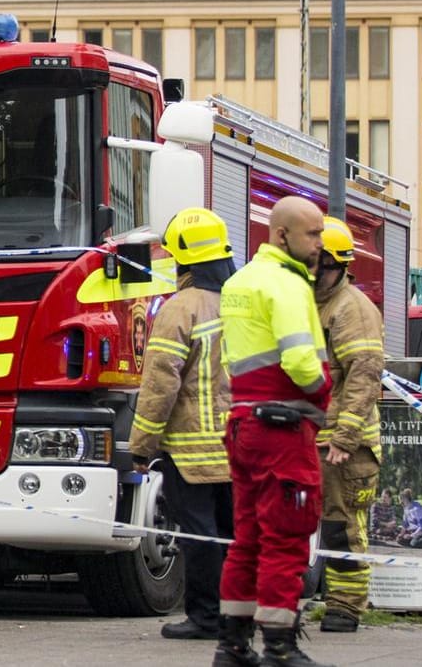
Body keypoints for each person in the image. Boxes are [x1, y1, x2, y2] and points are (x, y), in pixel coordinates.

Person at [213, 195, 334, 667]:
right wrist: (322, 390)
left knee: (247, 537)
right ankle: (279, 648)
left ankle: (232, 645)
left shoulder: (240, 281)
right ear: (280, 234)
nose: (320, 245)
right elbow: (301, 360)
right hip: (284, 429)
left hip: (245, 425)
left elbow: (232, 359)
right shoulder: (287, 285)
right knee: (286, 537)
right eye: (313, 234)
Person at [129, 207, 238, 642]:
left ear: (182, 260)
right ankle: (235, 615)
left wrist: (142, 444)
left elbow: (160, 382)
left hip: (191, 452)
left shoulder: (180, 309)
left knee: (199, 536)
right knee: (232, 535)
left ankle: (204, 617)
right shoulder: (240, 303)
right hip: (238, 445)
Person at [311, 217, 385, 633]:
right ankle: (331, 598)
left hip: (345, 445)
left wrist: (344, 436)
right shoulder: (314, 302)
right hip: (316, 436)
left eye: (319, 263)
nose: (312, 270)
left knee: (342, 526)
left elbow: (363, 375)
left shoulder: (351, 308)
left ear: (337, 264)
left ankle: (346, 606)